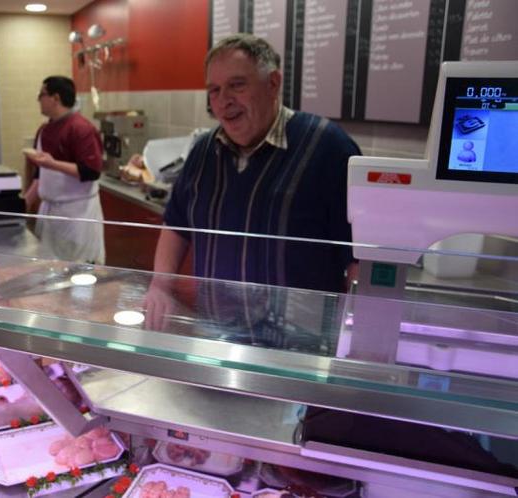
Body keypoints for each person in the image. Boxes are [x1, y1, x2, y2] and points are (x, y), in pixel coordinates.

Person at [145, 34, 360, 331]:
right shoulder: (203, 152)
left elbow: (357, 256)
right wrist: (160, 286)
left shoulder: (328, 148)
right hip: (216, 334)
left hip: (301, 347)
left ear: (273, 83)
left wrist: (356, 329)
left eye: (237, 85)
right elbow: (176, 225)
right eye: (214, 90)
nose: (224, 101)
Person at [23, 76, 105, 264]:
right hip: (50, 214)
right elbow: (40, 174)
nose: (39, 100)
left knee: (79, 274)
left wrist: (53, 164)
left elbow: (91, 171)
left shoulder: (81, 129)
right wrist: (25, 203)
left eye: (41, 94)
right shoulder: (44, 130)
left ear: (56, 98)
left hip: (77, 216)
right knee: (50, 270)